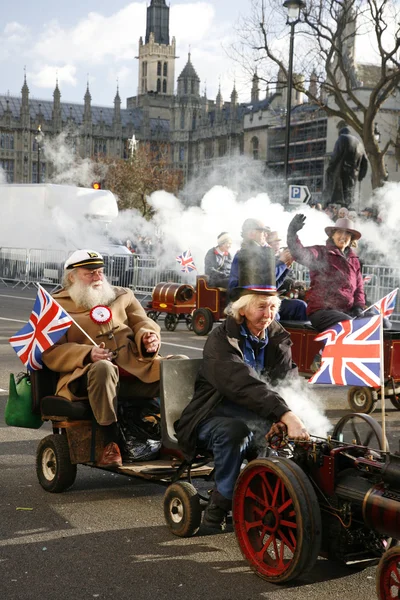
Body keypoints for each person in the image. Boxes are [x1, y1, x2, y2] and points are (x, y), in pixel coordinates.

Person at [176, 244, 310, 530]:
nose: (269, 313)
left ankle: (271, 501)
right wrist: (282, 413)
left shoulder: (277, 337)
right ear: (242, 308)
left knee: (289, 443)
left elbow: (288, 381)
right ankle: (219, 504)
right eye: (261, 306)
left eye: (273, 306)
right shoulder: (220, 339)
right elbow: (240, 383)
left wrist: (284, 417)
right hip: (209, 416)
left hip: (258, 412)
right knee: (235, 431)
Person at [42, 249, 166, 469]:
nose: (98, 277)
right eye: (89, 273)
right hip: (85, 377)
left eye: (100, 271)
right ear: (72, 276)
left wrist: (149, 338)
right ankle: (110, 444)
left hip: (133, 368)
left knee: (177, 365)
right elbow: (51, 351)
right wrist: (87, 353)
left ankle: (181, 434)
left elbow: (143, 323)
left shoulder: (122, 295)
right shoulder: (55, 305)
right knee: (103, 368)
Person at [287, 215, 366, 370]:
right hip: (321, 310)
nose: (343, 237)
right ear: (332, 234)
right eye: (339, 233)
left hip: (346, 311)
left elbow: (359, 288)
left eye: (347, 234)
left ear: (351, 238)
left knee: (381, 323)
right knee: (347, 324)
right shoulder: (321, 253)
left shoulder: (354, 260)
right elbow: (299, 253)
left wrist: (359, 306)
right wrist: (292, 234)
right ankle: (322, 356)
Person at [228, 219, 290, 294]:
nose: (266, 235)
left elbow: (272, 286)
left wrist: (286, 265)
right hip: (245, 299)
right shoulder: (247, 253)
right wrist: (282, 262)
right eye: (262, 232)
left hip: (254, 297)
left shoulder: (255, 252)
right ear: (251, 233)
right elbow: (264, 282)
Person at [324, 127, 368, 209]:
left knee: (337, 191)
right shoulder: (360, 144)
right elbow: (365, 162)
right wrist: (361, 175)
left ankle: (333, 207)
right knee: (349, 192)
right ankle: (348, 209)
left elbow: (335, 155)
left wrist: (330, 168)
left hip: (342, 170)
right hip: (354, 172)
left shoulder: (341, 138)